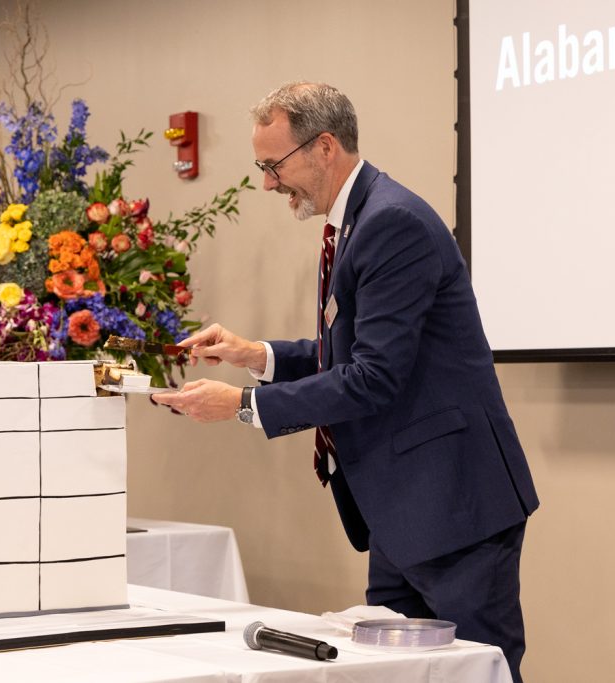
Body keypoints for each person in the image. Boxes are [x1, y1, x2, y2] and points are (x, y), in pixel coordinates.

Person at [152, 82, 538, 682]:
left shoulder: (392, 223)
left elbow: (373, 379)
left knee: (477, 672)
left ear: (324, 147)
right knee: (385, 673)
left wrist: (245, 406)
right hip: (397, 508)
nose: (268, 183)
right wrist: (257, 355)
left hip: (451, 503)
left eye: (274, 165)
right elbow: (356, 354)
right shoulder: (356, 222)